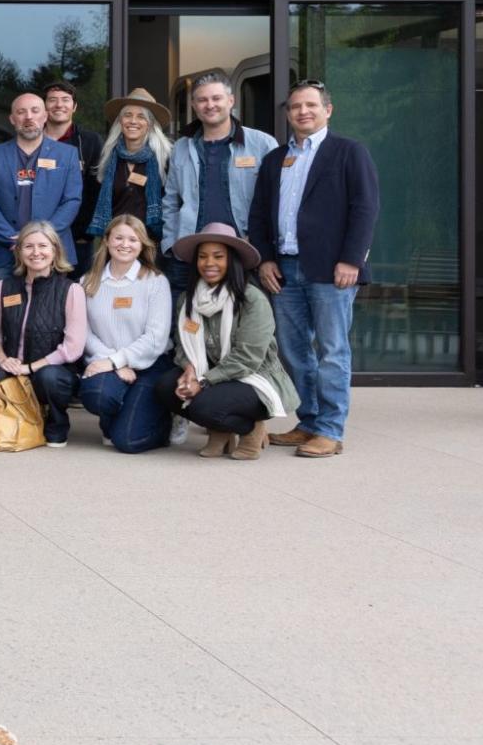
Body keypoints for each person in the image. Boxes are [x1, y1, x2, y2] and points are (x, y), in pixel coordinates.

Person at [249, 80, 380, 460]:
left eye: (310, 105)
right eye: (295, 107)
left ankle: (330, 429)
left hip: (332, 269)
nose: (302, 112)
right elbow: (259, 214)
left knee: (332, 351)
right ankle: (308, 421)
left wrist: (352, 259)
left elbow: (365, 208)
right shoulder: (276, 159)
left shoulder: (348, 152)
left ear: (328, 110)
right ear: (288, 114)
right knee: (294, 351)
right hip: (284, 268)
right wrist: (266, 259)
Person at [156, 222, 299, 460]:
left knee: (204, 405)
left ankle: (251, 428)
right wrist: (189, 369)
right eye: (202, 257)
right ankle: (220, 430)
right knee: (165, 387)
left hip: (254, 379)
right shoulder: (188, 299)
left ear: (232, 260)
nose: (209, 263)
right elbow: (182, 345)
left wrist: (202, 383)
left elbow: (248, 358)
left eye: (218, 256)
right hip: (211, 374)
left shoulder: (252, 299)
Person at [161, 70, 278, 296]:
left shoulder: (262, 144)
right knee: (185, 325)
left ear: (231, 101)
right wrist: (171, 242)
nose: (210, 105)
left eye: (216, 98)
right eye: (202, 100)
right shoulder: (181, 148)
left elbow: (275, 201)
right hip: (191, 255)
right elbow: (171, 200)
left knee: (244, 325)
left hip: (244, 253)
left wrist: (259, 241)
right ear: (194, 105)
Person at [75, 214, 175, 453]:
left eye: (133, 239)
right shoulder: (87, 282)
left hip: (150, 365)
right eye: (119, 237)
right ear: (107, 240)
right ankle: (112, 419)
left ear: (142, 245)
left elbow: (156, 339)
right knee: (98, 395)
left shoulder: (155, 282)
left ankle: (163, 424)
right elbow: (84, 332)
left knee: (127, 441)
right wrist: (114, 364)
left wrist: (116, 360)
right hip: (106, 363)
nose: (125, 244)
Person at [0, 221, 87, 447]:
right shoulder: (4, 287)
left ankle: (56, 423)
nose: (36, 252)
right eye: (28, 246)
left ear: (55, 251)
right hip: (11, 370)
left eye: (43, 246)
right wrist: (3, 360)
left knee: (49, 378)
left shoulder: (71, 290)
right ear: (19, 251)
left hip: (50, 374)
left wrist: (30, 368)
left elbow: (73, 348)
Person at [0, 91, 84, 283]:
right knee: (8, 309)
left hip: (52, 252)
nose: (28, 117)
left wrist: (42, 238)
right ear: (12, 118)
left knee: (50, 310)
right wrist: (12, 238)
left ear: (45, 116)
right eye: (21, 112)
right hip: (4, 252)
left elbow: (72, 200)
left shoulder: (67, 154)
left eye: (35, 111)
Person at [90, 88, 173, 252]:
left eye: (141, 116)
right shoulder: (109, 159)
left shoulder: (166, 159)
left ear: (150, 124)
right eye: (128, 115)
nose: (133, 121)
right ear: (120, 121)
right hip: (116, 246)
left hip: (151, 245)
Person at [43, 82, 103, 274]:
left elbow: (95, 191)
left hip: (77, 237)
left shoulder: (90, 141)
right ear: (44, 106)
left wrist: (85, 233)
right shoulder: (31, 140)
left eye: (65, 100)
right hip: (36, 237)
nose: (59, 105)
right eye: (52, 100)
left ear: (74, 106)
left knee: (75, 294)